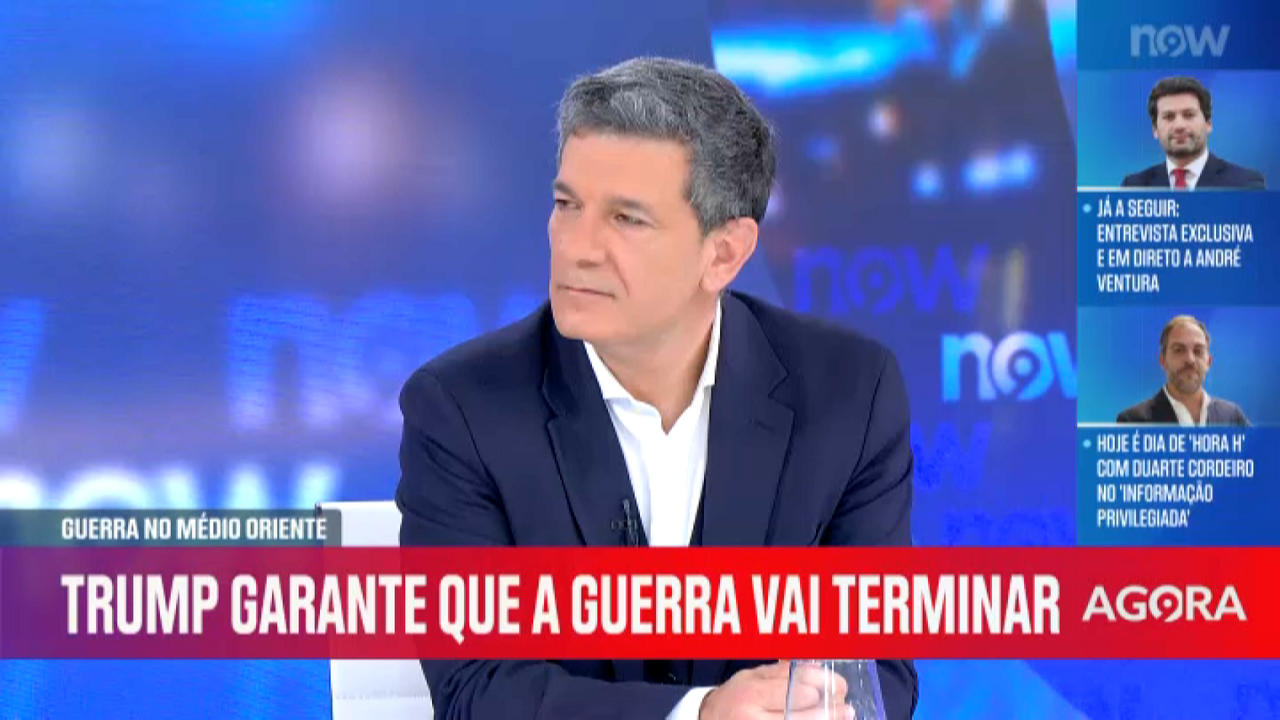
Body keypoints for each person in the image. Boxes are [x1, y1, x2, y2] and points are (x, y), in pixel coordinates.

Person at [396, 56, 917, 719]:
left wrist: (816, 707)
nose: (577, 247)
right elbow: (477, 690)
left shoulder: (850, 394)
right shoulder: (462, 410)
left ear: (724, 253)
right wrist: (701, 713)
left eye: (626, 219)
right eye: (567, 205)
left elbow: (878, 669)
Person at [1122, 76, 1265, 189]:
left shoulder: (1245, 185)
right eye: (1169, 117)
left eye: (1189, 115)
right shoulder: (1134, 187)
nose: (1179, 126)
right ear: (1155, 130)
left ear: (1208, 124)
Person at [1117, 315, 1249, 426]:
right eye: (1179, 350)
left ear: (1209, 362)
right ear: (1162, 361)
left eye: (1198, 351)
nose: (1190, 360)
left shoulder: (1233, 417)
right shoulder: (1133, 422)